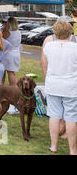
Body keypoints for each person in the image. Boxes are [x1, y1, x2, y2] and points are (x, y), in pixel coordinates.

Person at [41, 20, 77, 155]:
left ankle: (54, 146)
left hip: (53, 85)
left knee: (54, 116)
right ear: (70, 32)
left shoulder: (49, 46)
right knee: (71, 117)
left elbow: (45, 62)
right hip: (71, 86)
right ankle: (72, 150)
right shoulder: (75, 47)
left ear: (55, 32)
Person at [2, 17, 21, 86]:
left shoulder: (7, 32)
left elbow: (1, 39)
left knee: (9, 73)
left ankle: (12, 88)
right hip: (16, 53)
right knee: (12, 73)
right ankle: (14, 87)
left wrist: (4, 29)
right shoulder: (18, 32)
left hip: (8, 54)